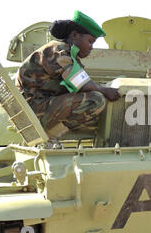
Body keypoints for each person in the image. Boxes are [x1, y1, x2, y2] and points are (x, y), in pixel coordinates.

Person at [16, 10, 120, 139]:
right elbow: (81, 83)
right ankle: (49, 135)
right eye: (90, 41)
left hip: (39, 106)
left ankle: (52, 134)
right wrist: (104, 90)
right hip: (32, 110)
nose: (91, 47)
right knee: (95, 100)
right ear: (75, 35)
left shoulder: (70, 56)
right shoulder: (57, 50)